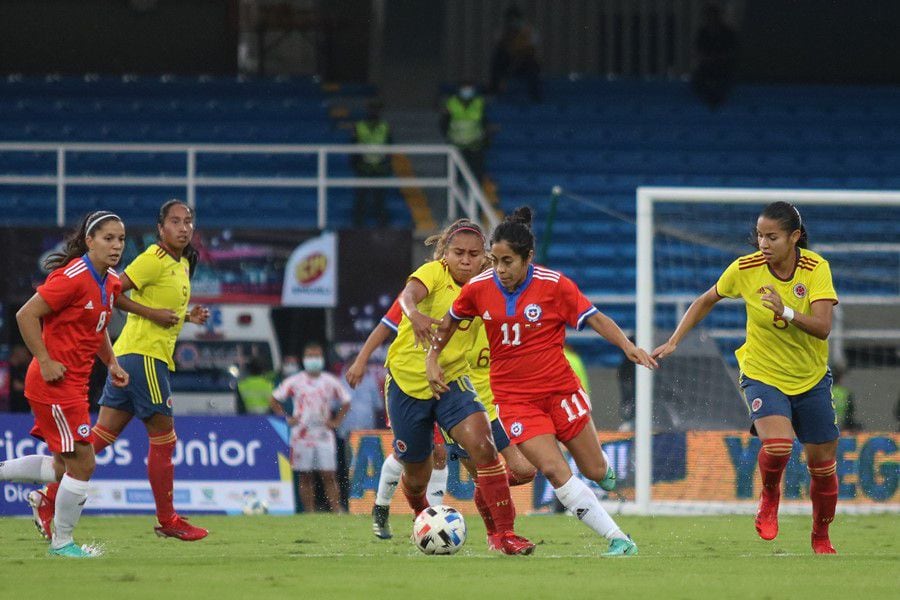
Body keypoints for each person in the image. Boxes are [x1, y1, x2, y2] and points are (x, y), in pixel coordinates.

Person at [426, 207, 657, 556]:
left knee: (595, 470)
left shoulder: (554, 285)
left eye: (508, 262)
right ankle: (619, 538)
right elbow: (448, 324)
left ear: (528, 258)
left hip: (560, 391)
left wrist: (627, 346)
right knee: (553, 469)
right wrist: (432, 358)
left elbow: (594, 318)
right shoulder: (478, 289)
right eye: (495, 260)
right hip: (516, 401)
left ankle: (603, 473)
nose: (500, 270)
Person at [651, 201, 840, 554]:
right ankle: (770, 497)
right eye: (759, 236)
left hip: (810, 378)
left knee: (823, 466)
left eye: (772, 237)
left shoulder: (816, 269)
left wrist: (784, 309)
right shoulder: (745, 268)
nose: (763, 244)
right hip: (762, 372)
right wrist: (676, 340)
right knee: (779, 444)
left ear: (795, 237)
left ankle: (820, 536)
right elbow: (706, 300)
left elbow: (823, 328)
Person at [28, 200, 212, 543]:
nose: (183, 228)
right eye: (175, 221)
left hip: (128, 358)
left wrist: (186, 317)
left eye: (188, 221)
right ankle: (167, 519)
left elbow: (153, 305)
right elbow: (115, 292)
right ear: (160, 228)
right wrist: (151, 313)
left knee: (97, 440)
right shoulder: (152, 259)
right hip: (144, 356)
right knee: (164, 440)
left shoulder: (182, 262)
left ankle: (47, 498)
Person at [382, 218, 534, 554]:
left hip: (452, 378)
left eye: (473, 254)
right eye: (458, 253)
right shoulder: (433, 273)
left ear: (484, 258)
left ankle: (504, 536)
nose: (465, 260)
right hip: (408, 382)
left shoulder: (486, 286)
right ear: (444, 254)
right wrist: (414, 314)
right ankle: (421, 512)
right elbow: (408, 295)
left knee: (484, 448)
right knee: (418, 474)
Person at [0, 211, 129, 557]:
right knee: (83, 464)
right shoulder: (71, 277)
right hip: (54, 384)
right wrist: (44, 359)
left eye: (120, 239)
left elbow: (97, 327)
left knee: (61, 466)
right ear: (89, 241)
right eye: (108, 238)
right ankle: (63, 544)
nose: (116, 245)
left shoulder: (111, 280)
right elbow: (25, 315)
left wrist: (112, 362)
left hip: (74, 384)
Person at [269, 341, 350, 513]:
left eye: (317, 356)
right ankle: (310, 512)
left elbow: (346, 401)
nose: (314, 359)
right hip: (301, 435)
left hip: (323, 433)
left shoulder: (330, 381)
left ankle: (336, 509)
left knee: (328, 474)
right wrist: (286, 418)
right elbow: (274, 398)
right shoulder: (295, 381)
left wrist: (336, 421)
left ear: (322, 358)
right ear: (304, 359)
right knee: (305, 476)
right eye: (310, 356)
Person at [351, 99, 392, 228]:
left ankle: (383, 227)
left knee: (379, 199)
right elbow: (353, 146)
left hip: (379, 167)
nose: (374, 112)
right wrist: (356, 164)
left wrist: (387, 164)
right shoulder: (359, 126)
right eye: (372, 109)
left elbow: (390, 146)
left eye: (376, 109)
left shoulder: (385, 126)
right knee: (361, 198)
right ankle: (357, 226)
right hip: (364, 167)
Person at [489, 3, 542, 102]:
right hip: (508, 62)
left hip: (524, 63)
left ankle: (535, 97)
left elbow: (529, 52)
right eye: (510, 19)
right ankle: (494, 91)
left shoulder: (529, 32)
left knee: (532, 65)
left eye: (515, 19)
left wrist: (507, 76)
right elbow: (501, 50)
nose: (513, 22)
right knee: (498, 57)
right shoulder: (502, 32)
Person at [691, 3, 738, 109]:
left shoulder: (728, 33)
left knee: (725, 83)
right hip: (707, 67)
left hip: (724, 67)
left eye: (713, 17)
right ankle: (709, 99)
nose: (711, 20)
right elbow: (698, 52)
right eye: (708, 17)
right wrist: (707, 59)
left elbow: (732, 52)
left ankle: (717, 100)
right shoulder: (702, 33)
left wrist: (718, 58)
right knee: (697, 82)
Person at [441, 82, 488, 186]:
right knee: (456, 175)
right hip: (456, 144)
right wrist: (448, 136)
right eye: (465, 88)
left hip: (475, 144)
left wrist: (485, 138)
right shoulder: (451, 102)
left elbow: (484, 121)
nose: (467, 91)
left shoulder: (479, 102)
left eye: (469, 88)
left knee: (476, 174)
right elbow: (444, 121)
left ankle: (475, 191)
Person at [831, 365, 861, 432]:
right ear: (840, 378)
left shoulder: (823, 392)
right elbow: (851, 413)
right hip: (842, 428)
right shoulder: (846, 393)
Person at [7, 344, 32, 413]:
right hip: (12, 406)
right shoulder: (10, 368)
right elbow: (17, 386)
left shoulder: (27, 367)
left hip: (27, 405)